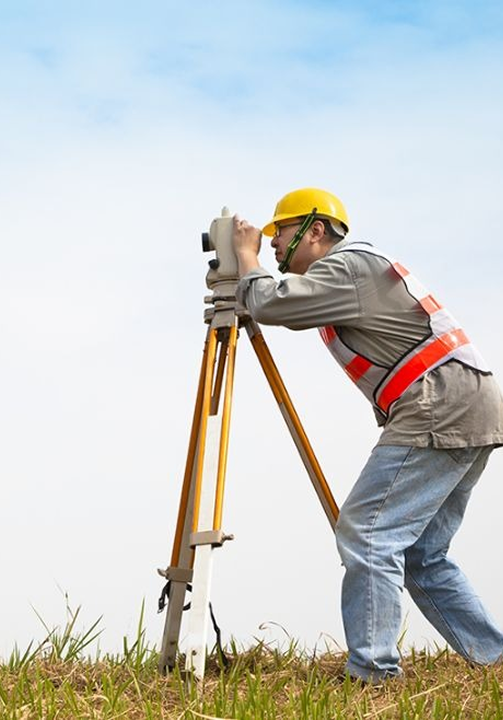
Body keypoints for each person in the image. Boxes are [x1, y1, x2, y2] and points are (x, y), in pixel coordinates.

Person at [231, 187, 503, 683]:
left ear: (315, 232)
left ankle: (373, 672)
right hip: (468, 403)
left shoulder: (346, 265)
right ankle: (494, 658)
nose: (272, 243)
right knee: (420, 552)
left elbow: (272, 304)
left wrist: (245, 258)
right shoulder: (353, 272)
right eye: (266, 238)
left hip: (438, 403)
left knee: (369, 533)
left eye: (281, 232)